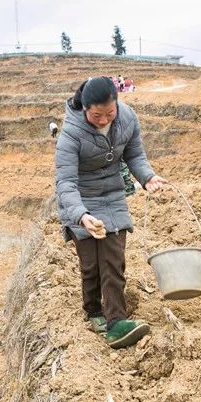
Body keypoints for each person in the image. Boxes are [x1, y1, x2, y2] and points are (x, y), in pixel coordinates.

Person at [55, 76, 168, 349]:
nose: (104, 120)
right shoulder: (70, 135)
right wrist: (82, 215)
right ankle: (93, 310)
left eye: (110, 113)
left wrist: (147, 177)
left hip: (113, 196)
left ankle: (116, 322)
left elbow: (135, 155)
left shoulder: (127, 118)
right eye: (97, 115)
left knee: (113, 260)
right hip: (81, 199)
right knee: (91, 265)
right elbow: (65, 183)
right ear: (85, 108)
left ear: (116, 104)